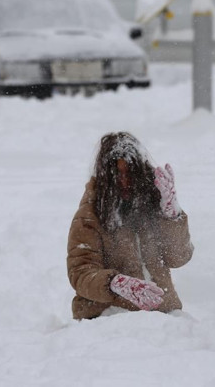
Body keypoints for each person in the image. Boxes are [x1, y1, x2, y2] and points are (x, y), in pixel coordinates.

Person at [67, 132, 193, 319]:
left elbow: (179, 257)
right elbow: (80, 273)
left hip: (164, 315)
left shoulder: (153, 203)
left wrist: (172, 216)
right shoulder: (89, 215)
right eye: (117, 174)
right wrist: (114, 283)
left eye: (130, 173)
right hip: (109, 318)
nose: (125, 181)